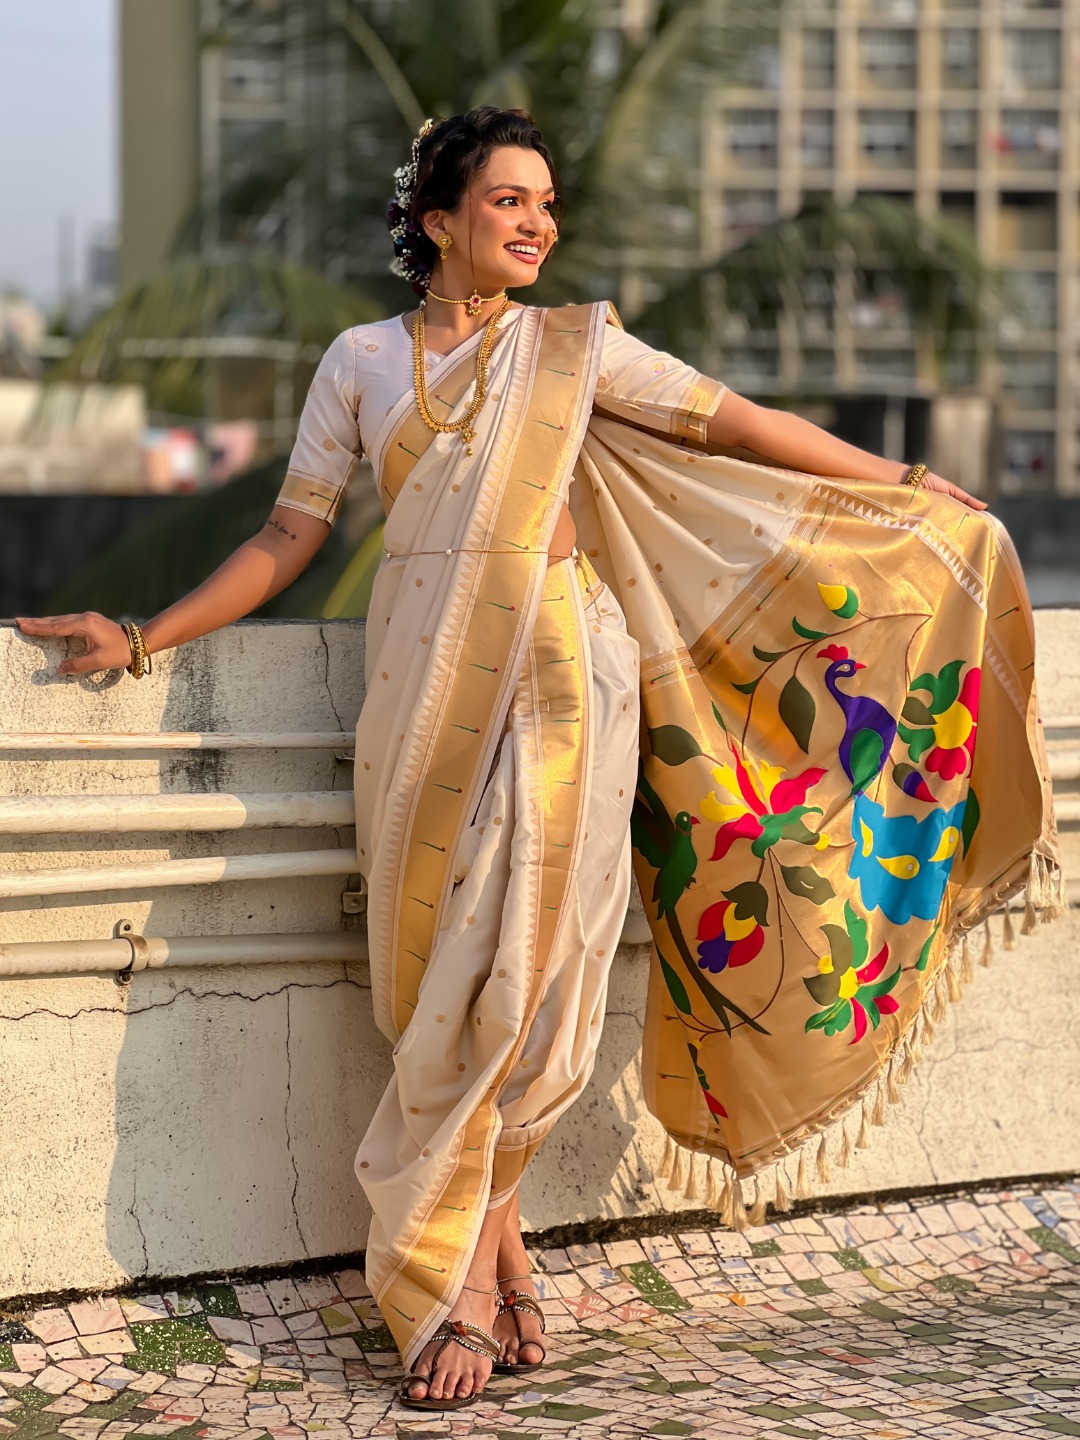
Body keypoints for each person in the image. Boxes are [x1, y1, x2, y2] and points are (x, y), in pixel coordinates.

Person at [17, 107, 1062, 1414]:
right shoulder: (360, 361)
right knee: (447, 987)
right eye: (510, 199)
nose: (537, 224)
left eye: (548, 204)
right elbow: (289, 535)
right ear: (438, 218)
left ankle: (450, 1277)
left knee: (540, 980)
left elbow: (739, 425)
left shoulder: (577, 348)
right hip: (422, 699)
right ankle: (502, 1247)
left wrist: (900, 480)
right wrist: (143, 633)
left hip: (574, 685)